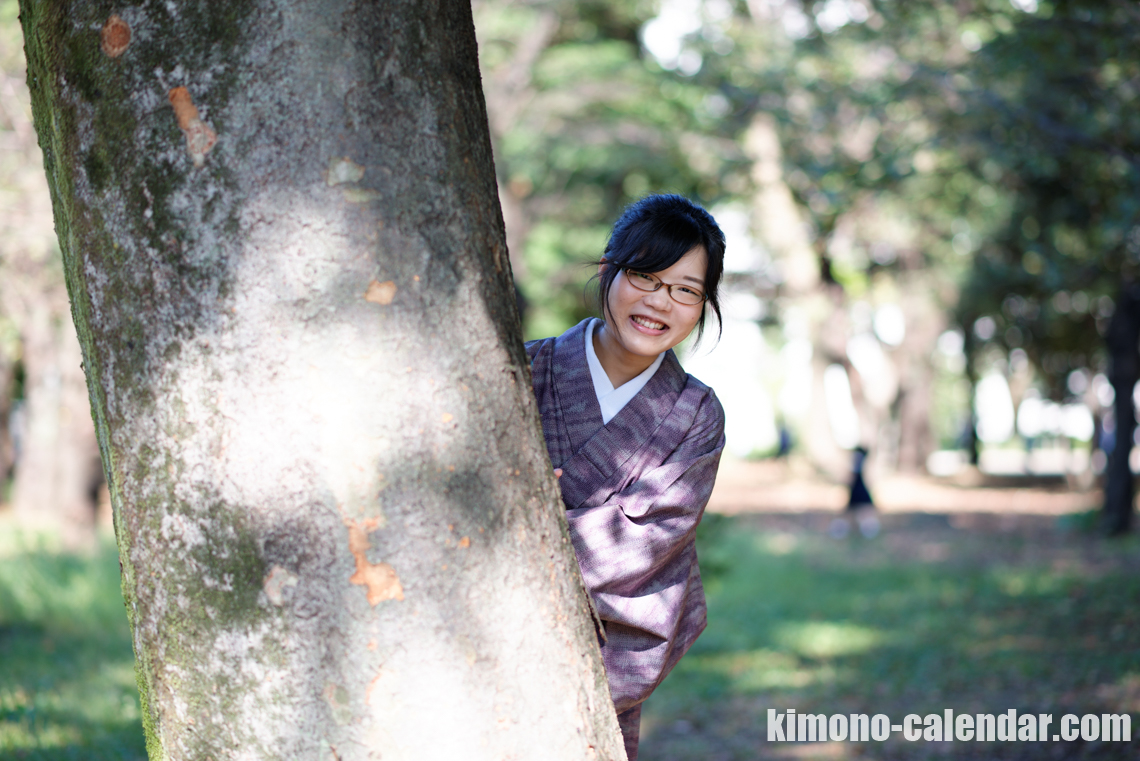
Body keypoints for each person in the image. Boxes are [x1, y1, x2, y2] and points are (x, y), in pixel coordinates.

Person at [524, 194, 727, 760]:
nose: (660, 301)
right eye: (645, 275)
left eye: (686, 289)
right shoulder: (525, 368)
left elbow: (645, 543)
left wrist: (536, 517)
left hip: (601, 660)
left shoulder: (695, 415)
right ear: (609, 269)